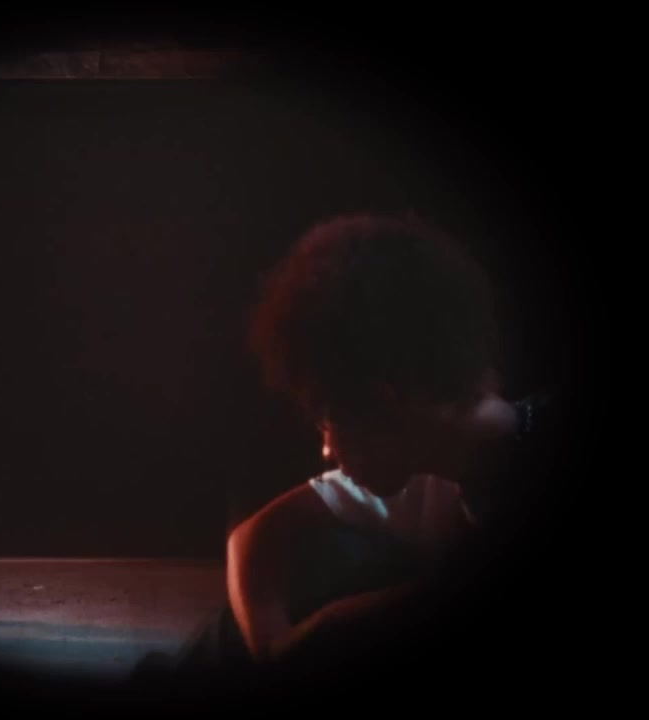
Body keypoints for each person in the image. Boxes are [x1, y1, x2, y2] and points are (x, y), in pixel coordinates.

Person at [139, 213, 563, 684]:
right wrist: (275, 649)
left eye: (328, 423)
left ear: (386, 401)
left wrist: (337, 626)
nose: (326, 451)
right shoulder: (431, 470)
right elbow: (254, 539)